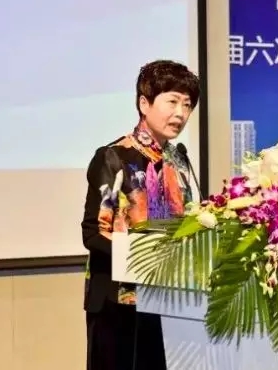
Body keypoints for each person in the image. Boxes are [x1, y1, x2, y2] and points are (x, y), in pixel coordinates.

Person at [81, 60, 199, 370]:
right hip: (118, 303)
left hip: (169, 300)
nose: (181, 113)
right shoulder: (113, 157)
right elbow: (94, 234)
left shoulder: (179, 161)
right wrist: (148, 257)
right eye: (172, 101)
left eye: (187, 105)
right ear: (144, 104)